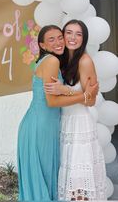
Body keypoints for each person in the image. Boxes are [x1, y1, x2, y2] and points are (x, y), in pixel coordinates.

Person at [17, 24, 98, 201]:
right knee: (47, 180)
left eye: (59, 37)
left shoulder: (61, 61)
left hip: (48, 125)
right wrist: (83, 95)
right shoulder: (53, 61)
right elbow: (52, 101)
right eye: (51, 39)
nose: (59, 41)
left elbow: (89, 99)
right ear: (43, 46)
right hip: (42, 127)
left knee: (53, 179)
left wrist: (73, 92)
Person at [44, 19, 107, 201]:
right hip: (64, 123)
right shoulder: (60, 60)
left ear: (84, 39)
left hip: (80, 126)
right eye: (69, 32)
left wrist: (66, 90)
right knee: (69, 180)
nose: (73, 37)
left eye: (78, 34)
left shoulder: (85, 60)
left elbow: (91, 100)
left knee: (79, 184)